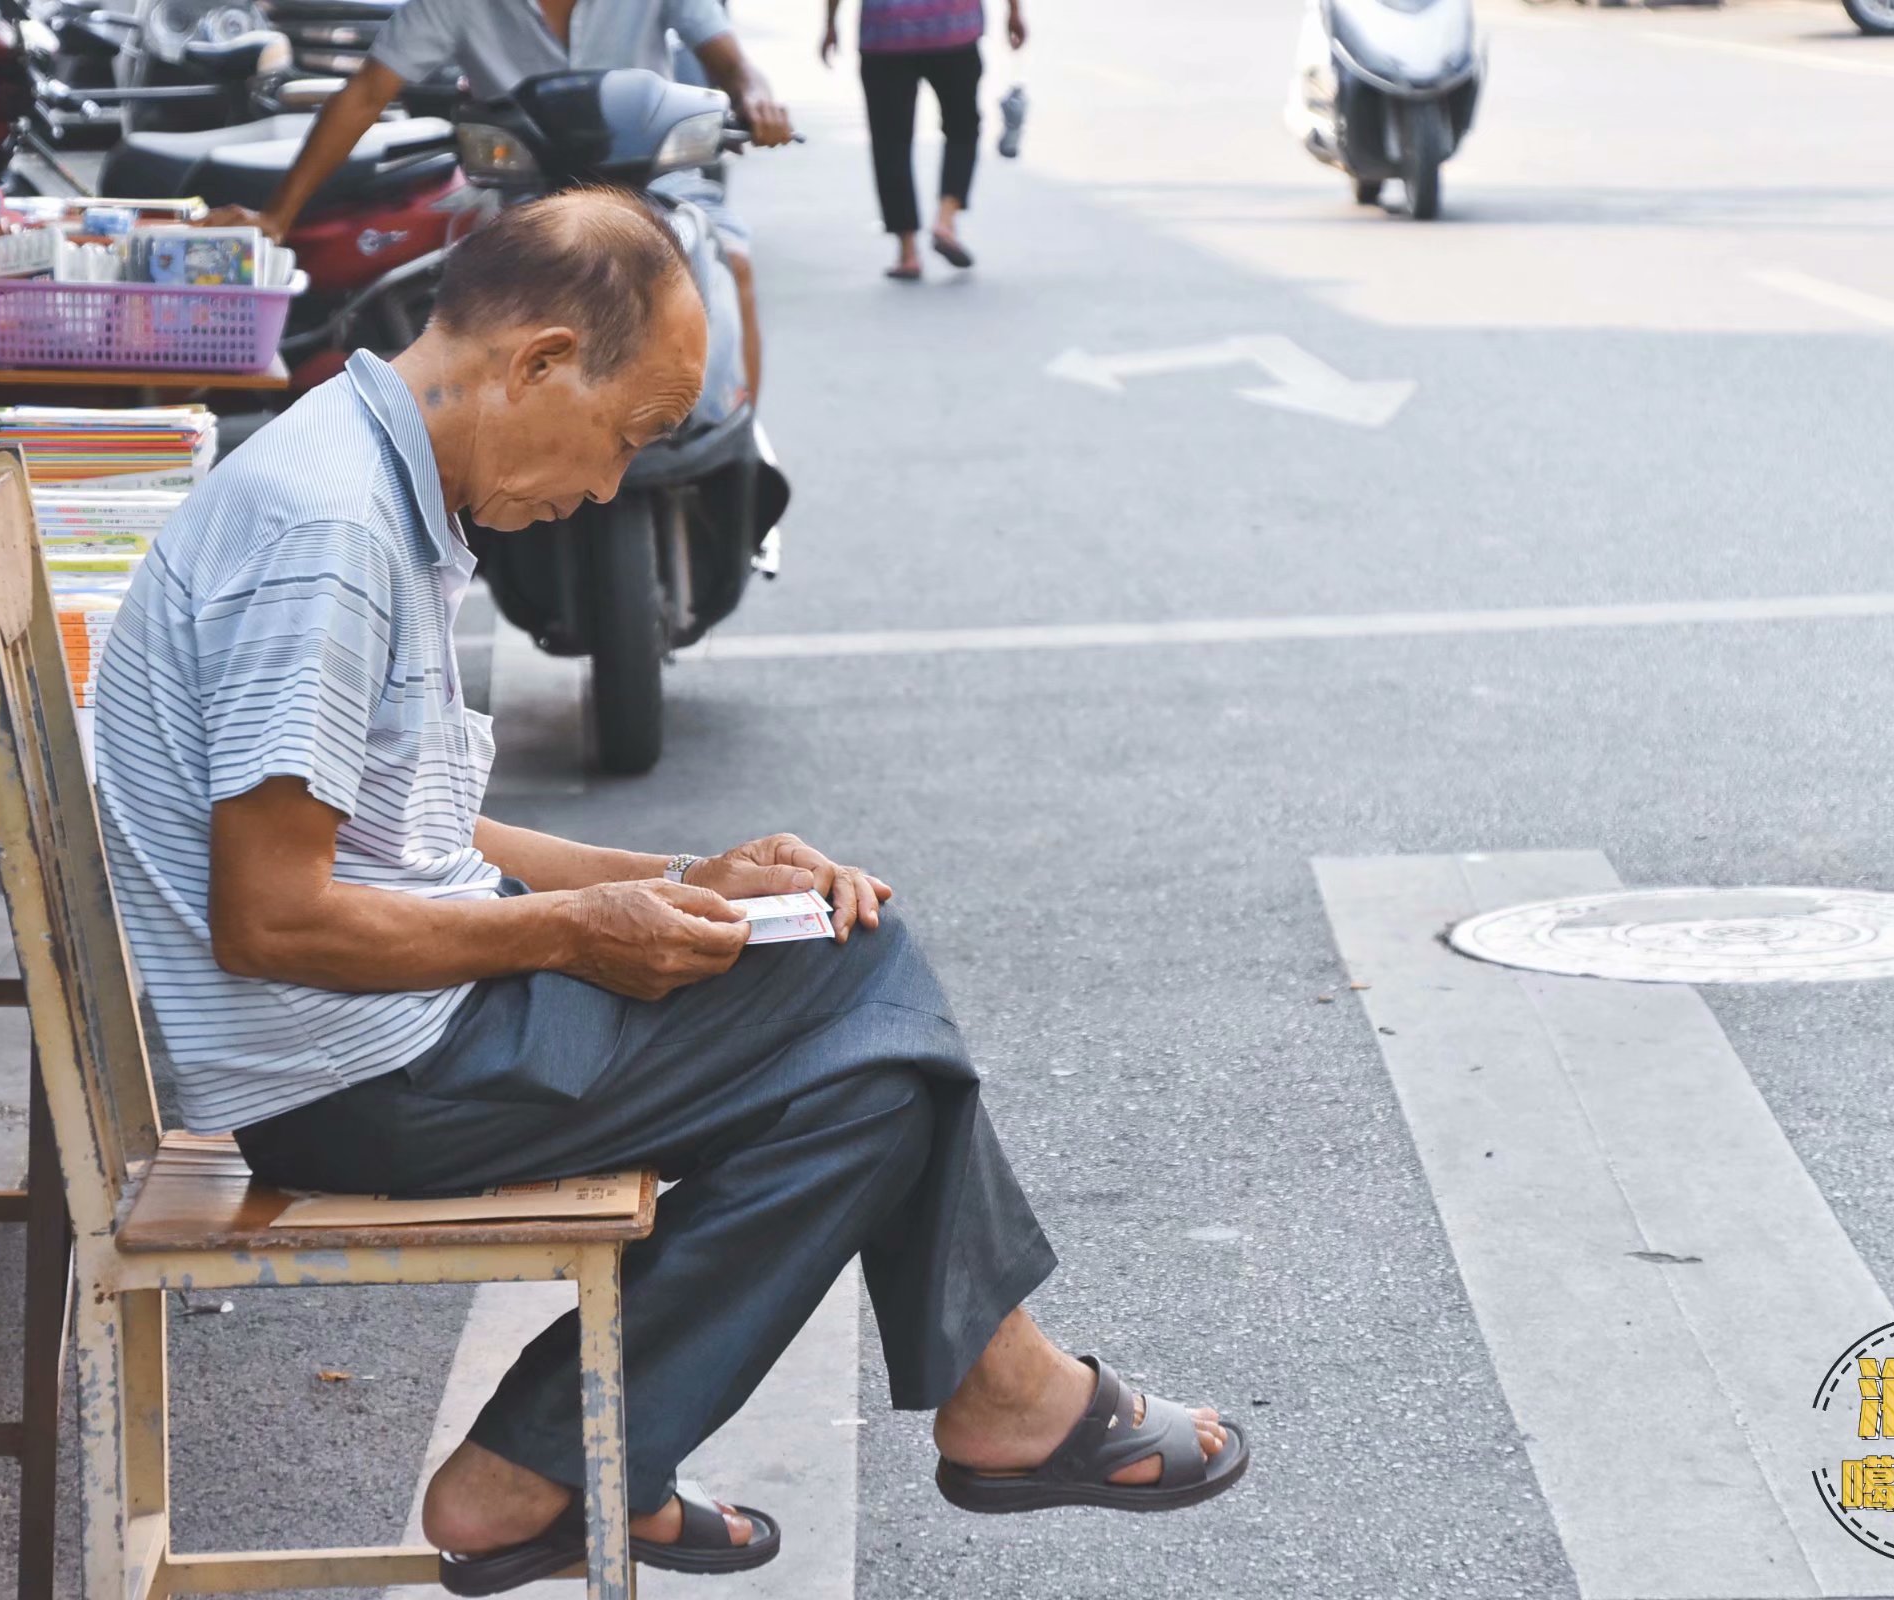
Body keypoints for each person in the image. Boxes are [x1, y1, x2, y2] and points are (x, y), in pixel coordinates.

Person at [93, 189, 1247, 1594]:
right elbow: (274, 917)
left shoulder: (358, 473)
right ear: (538, 363)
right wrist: (579, 931)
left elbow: (418, 833)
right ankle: (976, 1399)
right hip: (365, 1079)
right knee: (864, 976)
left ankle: (562, 1459)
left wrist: (681, 880)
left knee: (872, 1058)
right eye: (629, 434)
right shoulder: (324, 535)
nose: (606, 489)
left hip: (391, 1034)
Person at [222, 0, 793, 402]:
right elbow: (366, 93)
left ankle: (732, 435)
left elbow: (730, 62)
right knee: (471, 307)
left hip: (654, 183)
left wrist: (757, 97)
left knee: (732, 261)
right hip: (525, 196)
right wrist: (277, 217)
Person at [824, 0, 1024, 280]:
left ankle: (908, 252)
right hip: (953, 29)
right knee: (962, 127)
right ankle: (945, 219)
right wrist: (1014, 11)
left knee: (889, 140)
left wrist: (830, 22)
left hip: (886, 33)